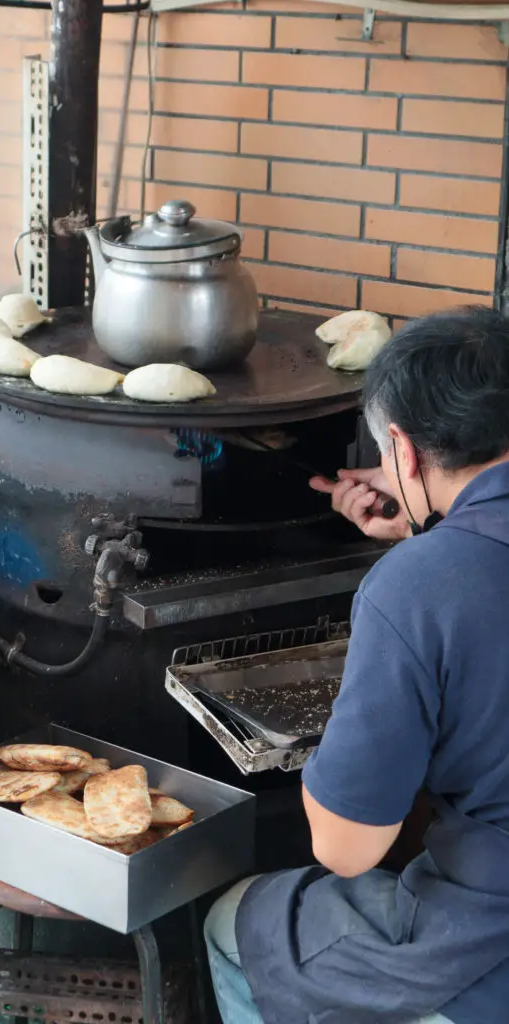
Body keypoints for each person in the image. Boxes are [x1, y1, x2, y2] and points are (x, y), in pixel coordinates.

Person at [205, 305, 509, 1024]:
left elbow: (345, 849)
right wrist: (430, 523)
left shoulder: (419, 585)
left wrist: (422, 555)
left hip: (488, 944)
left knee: (235, 924)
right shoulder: (434, 570)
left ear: (399, 449)